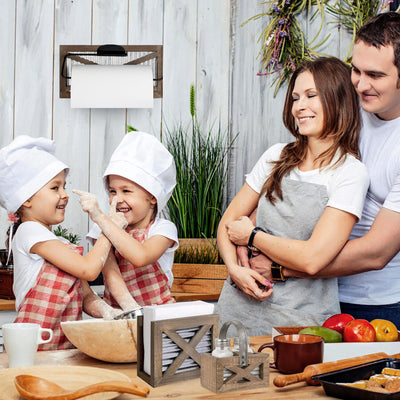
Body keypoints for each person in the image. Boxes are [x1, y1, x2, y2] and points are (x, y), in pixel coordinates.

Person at [215, 57, 370, 335]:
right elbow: (228, 223)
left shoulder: (350, 173)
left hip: (301, 321)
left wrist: (251, 236)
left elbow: (312, 259)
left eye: (311, 96)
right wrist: (235, 270)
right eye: (296, 98)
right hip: (237, 308)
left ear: (339, 100)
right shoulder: (276, 155)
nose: (300, 106)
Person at [278, 12, 400, 325]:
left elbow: (377, 253)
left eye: (375, 75)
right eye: (355, 70)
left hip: (371, 305)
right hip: (306, 291)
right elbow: (297, 170)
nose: (360, 84)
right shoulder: (347, 105)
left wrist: (283, 266)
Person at [0, 136, 124, 350]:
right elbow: (88, 270)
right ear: (26, 199)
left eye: (64, 186)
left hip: (66, 350)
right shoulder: (29, 232)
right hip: (34, 349)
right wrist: (109, 227)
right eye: (54, 188)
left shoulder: (60, 244)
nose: (65, 195)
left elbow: (86, 296)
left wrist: (108, 311)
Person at [78, 131, 178, 314]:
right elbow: (111, 273)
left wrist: (102, 219)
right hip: (120, 313)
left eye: (126, 191)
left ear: (152, 196)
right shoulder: (102, 229)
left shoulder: (163, 229)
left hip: (161, 315)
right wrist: (130, 312)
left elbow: (140, 257)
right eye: (112, 191)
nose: (117, 199)